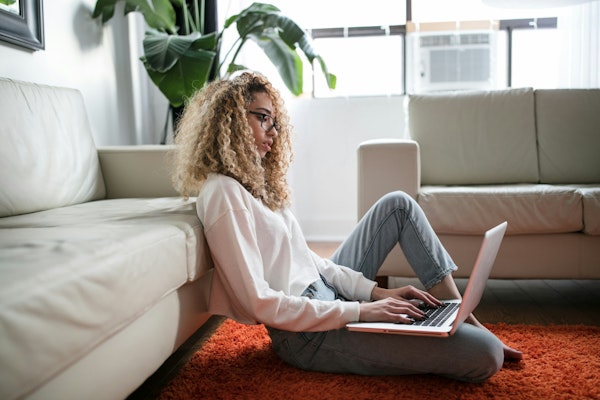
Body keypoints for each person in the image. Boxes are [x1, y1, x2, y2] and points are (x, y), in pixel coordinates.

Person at [171, 71, 522, 383]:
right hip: (306, 335)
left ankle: (459, 313)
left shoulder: (255, 184)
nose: (273, 133)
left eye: (275, 122)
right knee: (486, 354)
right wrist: (360, 311)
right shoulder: (223, 193)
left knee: (397, 204)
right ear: (229, 120)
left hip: (327, 295)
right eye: (263, 118)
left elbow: (310, 262)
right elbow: (259, 302)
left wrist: (375, 294)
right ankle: (462, 328)